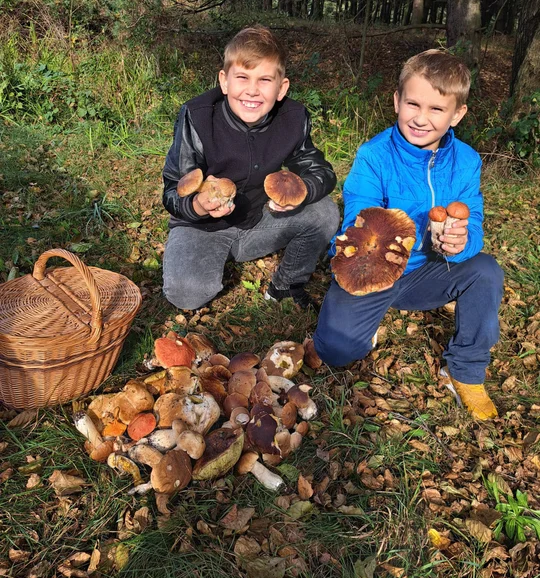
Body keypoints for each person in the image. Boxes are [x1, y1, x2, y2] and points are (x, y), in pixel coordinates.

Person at [313, 50, 504, 420]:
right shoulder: (374, 156)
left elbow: (474, 221)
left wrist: (462, 243)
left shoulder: (466, 161)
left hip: (429, 273)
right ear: (396, 101)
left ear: (457, 115)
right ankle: (363, 323)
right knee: (334, 350)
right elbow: (359, 222)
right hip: (373, 271)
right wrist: (418, 234)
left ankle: (465, 371)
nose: (420, 118)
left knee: (487, 271)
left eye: (436, 109)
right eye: (412, 104)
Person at [162, 25, 340, 312]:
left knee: (325, 212)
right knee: (186, 294)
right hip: (203, 225)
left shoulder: (293, 118)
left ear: (282, 88)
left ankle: (286, 286)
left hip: (259, 218)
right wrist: (197, 205)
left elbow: (320, 171)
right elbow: (172, 190)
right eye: (242, 77)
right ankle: (209, 256)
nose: (253, 91)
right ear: (224, 81)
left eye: (265, 80)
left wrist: (301, 192)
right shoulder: (198, 116)